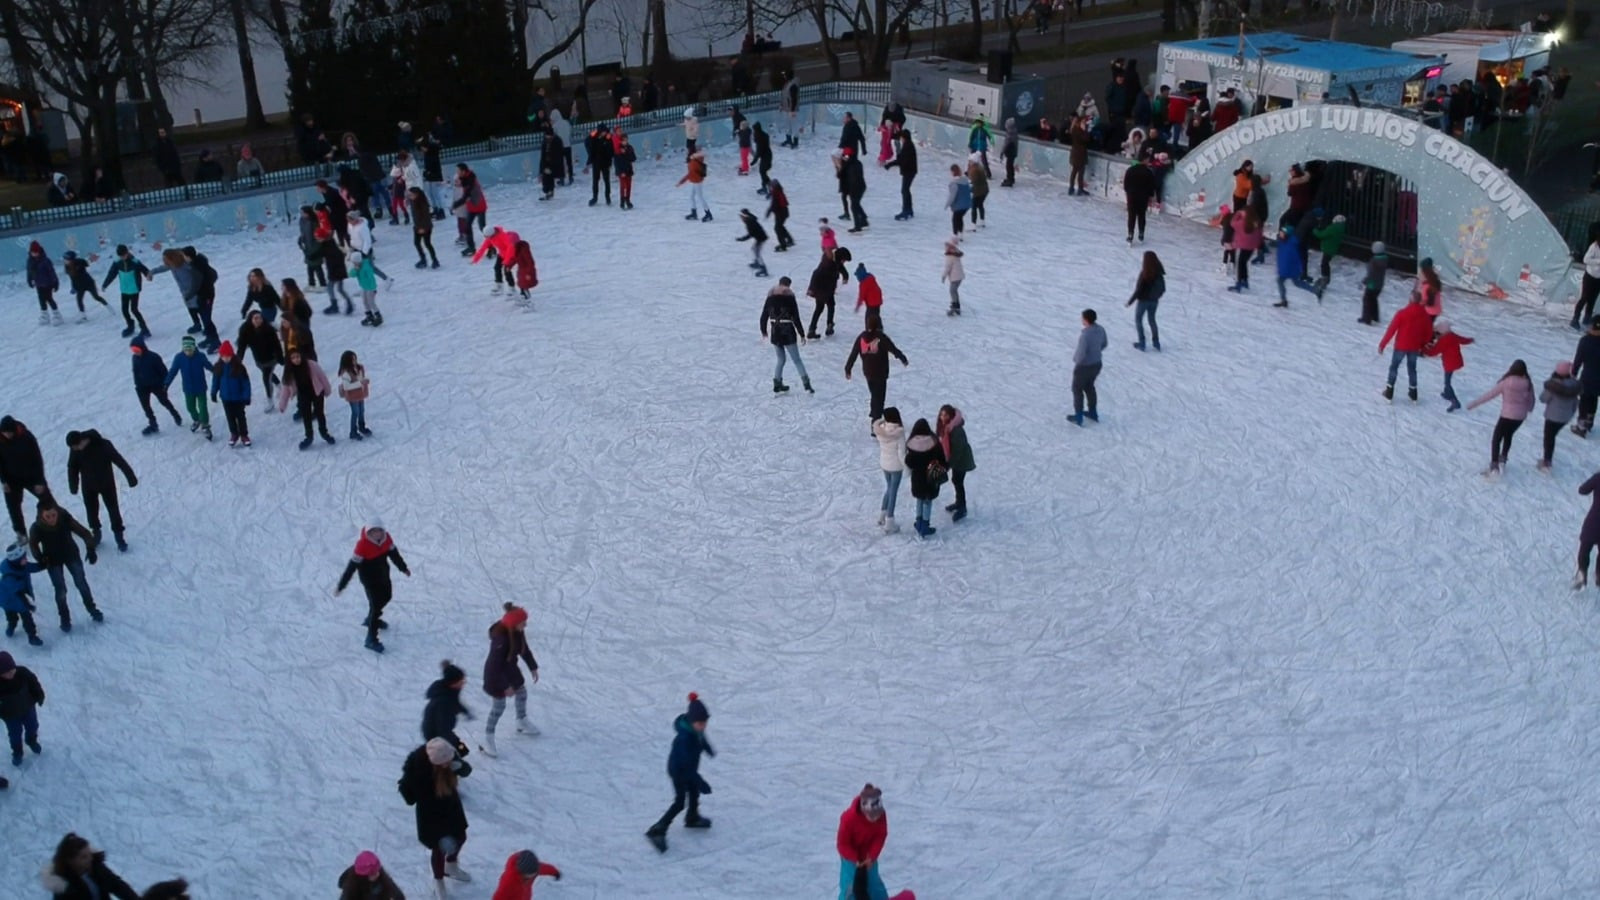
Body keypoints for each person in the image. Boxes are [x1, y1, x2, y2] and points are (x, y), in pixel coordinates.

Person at [399, 738, 472, 894]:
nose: (449, 763)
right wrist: (410, 785)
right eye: (445, 763)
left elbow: (467, 770)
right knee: (439, 850)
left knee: (461, 837)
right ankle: (438, 880)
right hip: (431, 817)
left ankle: (451, 865)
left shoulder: (447, 753)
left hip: (451, 807)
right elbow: (409, 799)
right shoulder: (418, 772)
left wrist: (460, 767)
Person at [645, 693, 716, 852]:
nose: (703, 726)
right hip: (679, 772)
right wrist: (701, 782)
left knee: (694, 792)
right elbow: (687, 767)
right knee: (680, 802)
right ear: (691, 722)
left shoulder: (695, 730)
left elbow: (701, 739)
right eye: (700, 723)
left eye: (705, 722)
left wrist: (708, 749)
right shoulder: (684, 740)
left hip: (689, 770)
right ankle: (658, 829)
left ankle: (692, 817)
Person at [334, 519, 409, 653]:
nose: (377, 534)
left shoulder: (386, 539)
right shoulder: (362, 545)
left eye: (379, 530)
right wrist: (341, 586)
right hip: (369, 580)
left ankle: (370, 619)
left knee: (387, 596)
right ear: (369, 533)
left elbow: (394, 554)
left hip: (383, 575)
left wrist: (403, 568)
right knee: (376, 606)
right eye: (374, 531)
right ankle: (371, 639)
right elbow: (352, 567)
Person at [28, 499, 100, 631]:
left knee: (81, 583)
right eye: (48, 516)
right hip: (52, 560)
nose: (52, 519)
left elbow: (84, 532)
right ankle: (65, 618)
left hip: (71, 554)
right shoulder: (37, 528)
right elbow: (33, 545)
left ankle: (92, 609)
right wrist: (41, 558)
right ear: (41, 516)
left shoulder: (65, 519)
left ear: (57, 512)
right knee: (60, 589)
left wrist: (91, 548)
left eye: (53, 515)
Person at [480, 603, 541, 757]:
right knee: (498, 708)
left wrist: (532, 666)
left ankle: (521, 720)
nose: (525, 625)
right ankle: (488, 738)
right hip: (495, 677)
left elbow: (524, 649)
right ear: (514, 623)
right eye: (523, 622)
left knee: (522, 693)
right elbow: (494, 666)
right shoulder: (501, 639)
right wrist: (505, 686)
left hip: (510, 670)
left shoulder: (517, 632)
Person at [64, 430, 136, 550]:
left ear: (81, 441)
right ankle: (96, 533)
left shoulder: (103, 445)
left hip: (107, 485)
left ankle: (119, 537)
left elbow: (119, 460)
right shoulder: (75, 450)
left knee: (113, 510)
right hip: (88, 486)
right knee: (91, 511)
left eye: (75, 447)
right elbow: (72, 468)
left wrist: (130, 477)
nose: (74, 449)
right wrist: (73, 485)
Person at [1466, 359, 1535, 476]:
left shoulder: (1506, 382)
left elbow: (1489, 395)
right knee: (1508, 435)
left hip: (1506, 415)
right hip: (1520, 417)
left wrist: (1473, 404)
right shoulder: (1528, 384)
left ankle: (1494, 466)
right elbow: (1531, 401)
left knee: (1497, 438)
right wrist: (1528, 409)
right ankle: (1503, 459)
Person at [845, 313, 909, 426]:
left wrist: (848, 368)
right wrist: (902, 358)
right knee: (879, 398)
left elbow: (853, 354)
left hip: (868, 373)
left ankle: (875, 415)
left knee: (875, 395)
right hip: (880, 373)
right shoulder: (881, 337)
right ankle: (875, 421)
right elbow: (893, 348)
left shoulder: (861, 338)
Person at [40, 833, 140, 900]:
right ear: (70, 861)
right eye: (84, 857)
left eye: (89, 854)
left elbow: (117, 885)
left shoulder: (96, 866)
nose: (90, 858)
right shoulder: (64, 887)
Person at [0, 416, 51, 541]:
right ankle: (21, 533)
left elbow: (37, 459)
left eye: (9, 432)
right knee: (13, 507)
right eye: (5, 433)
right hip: (11, 480)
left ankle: (62, 521)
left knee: (48, 501)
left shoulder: (26, 437)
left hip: (31, 477)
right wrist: (4, 481)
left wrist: (39, 481)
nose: (7, 435)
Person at [836, 785, 889, 900]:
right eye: (872, 816)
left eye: (878, 815)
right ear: (864, 811)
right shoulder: (848, 818)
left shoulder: (881, 815)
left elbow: (881, 835)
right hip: (850, 858)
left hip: (869, 857)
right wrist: (855, 859)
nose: (876, 818)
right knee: (850, 886)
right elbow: (842, 844)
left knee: (874, 883)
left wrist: (872, 855)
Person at [760, 276, 812, 394]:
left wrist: (764, 331)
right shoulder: (790, 297)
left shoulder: (770, 297)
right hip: (787, 331)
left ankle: (777, 383)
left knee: (781, 359)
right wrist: (802, 334)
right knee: (797, 360)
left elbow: (764, 316)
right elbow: (796, 317)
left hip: (775, 332)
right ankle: (806, 383)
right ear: (788, 285)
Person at [277, 347, 336, 450]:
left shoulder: (311, 365)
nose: (296, 359)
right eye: (293, 358)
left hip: (317, 392)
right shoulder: (289, 371)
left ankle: (324, 433)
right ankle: (309, 437)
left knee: (319, 413)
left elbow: (322, 376)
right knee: (306, 416)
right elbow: (285, 389)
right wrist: (282, 405)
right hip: (303, 395)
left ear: (301, 356)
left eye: (297, 357)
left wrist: (327, 389)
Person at [1379, 293, 1434, 403]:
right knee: (1412, 368)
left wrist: (1383, 344)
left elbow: (1391, 330)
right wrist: (1423, 344)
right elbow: (1429, 332)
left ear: (1410, 300)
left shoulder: (1402, 313)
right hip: (1414, 347)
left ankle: (1389, 391)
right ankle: (1413, 393)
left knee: (1394, 367)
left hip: (1401, 345)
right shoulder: (1425, 315)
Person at [422, 660, 474, 768]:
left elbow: (455, 702)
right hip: (435, 736)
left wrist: (464, 711)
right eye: (461, 681)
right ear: (453, 683)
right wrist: (460, 746)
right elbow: (444, 731)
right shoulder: (443, 703)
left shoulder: (447, 690)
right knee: (454, 764)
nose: (464, 682)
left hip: (438, 730)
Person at [130, 337, 183, 436]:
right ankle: (153, 424)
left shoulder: (153, 357)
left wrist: (164, 385)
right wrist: (137, 385)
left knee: (164, 401)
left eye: (137, 349)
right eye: (133, 350)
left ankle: (175, 414)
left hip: (156, 385)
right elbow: (135, 372)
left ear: (142, 348)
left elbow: (164, 372)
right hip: (142, 387)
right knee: (146, 407)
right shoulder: (135, 358)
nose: (135, 352)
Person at [164, 335, 214, 440]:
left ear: (194, 348)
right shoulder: (179, 358)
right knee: (190, 407)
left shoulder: (200, 356)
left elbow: (209, 366)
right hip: (188, 389)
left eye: (190, 350)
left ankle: (205, 425)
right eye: (186, 350)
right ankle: (197, 419)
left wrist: (218, 373)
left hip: (200, 387)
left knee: (203, 407)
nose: (188, 352)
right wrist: (166, 383)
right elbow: (173, 371)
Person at [1421, 317, 1472, 412]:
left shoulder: (1444, 340)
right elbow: (1462, 340)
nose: (1437, 335)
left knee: (1447, 382)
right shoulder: (1452, 335)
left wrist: (1423, 351)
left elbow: (1434, 351)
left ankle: (1455, 402)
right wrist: (1470, 340)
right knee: (1447, 379)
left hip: (1450, 363)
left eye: (1437, 333)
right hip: (1456, 361)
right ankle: (1447, 394)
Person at [101, 245, 152, 338]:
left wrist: (148, 275)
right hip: (124, 289)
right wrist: (105, 284)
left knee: (134, 310)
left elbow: (144, 269)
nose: (122, 257)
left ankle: (144, 329)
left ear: (127, 253)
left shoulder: (134, 262)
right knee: (124, 310)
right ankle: (130, 326)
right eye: (120, 256)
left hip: (134, 289)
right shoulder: (117, 262)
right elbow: (111, 274)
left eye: (124, 255)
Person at [236, 310, 283, 407]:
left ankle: (270, 401)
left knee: (266, 378)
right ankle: (279, 385)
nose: (258, 320)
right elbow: (242, 347)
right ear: (251, 319)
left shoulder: (268, 329)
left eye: (260, 318)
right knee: (268, 375)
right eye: (256, 318)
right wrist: (238, 360)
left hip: (271, 359)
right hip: (258, 359)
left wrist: (280, 358)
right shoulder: (245, 330)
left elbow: (276, 345)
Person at [936, 405, 974, 523]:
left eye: (946, 415)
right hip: (956, 459)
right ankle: (959, 503)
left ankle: (962, 507)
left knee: (958, 481)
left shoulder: (956, 430)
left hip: (962, 460)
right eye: (941, 415)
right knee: (956, 480)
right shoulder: (946, 428)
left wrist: (949, 464)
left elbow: (958, 450)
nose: (943, 417)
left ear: (951, 416)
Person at [210, 342, 253, 447]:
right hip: (226, 398)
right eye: (223, 356)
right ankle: (234, 434)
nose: (226, 358)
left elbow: (245, 383)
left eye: (228, 356)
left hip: (238, 398)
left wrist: (246, 396)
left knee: (241, 417)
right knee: (230, 417)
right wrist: (213, 392)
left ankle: (244, 435)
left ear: (232, 355)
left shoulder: (239, 367)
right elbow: (215, 381)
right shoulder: (218, 367)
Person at [2, 543, 45, 646]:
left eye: (25, 557)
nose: (26, 559)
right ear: (16, 561)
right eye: (23, 559)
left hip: (17, 596)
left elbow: (31, 567)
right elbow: (17, 593)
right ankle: (12, 627)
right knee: (17, 617)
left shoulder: (22, 565)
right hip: (8, 600)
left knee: (26, 617)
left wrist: (43, 565)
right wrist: (27, 604)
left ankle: (32, 636)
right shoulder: (9, 577)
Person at [1540, 362, 1580, 472]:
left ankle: (1547, 462)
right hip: (1566, 417)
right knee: (1552, 436)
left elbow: (1543, 399)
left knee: (1549, 438)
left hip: (1552, 417)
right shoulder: (1574, 385)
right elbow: (1576, 402)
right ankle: (1547, 461)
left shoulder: (1553, 386)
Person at [1071, 309, 1107, 426]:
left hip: (1084, 366)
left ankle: (1078, 416)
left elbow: (1081, 354)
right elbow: (1104, 343)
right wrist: (1096, 352)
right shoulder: (1101, 329)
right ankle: (1093, 412)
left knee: (1077, 389)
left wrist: (1076, 361)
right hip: (1097, 364)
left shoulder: (1085, 335)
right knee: (1089, 386)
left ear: (1086, 320)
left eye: (1082, 318)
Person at [872, 408, 905, 534]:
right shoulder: (899, 432)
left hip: (885, 463)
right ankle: (889, 521)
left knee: (889, 488)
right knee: (893, 491)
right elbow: (901, 453)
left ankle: (882, 515)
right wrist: (907, 467)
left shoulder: (881, 429)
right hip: (896, 466)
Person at [1127, 251, 1165, 351]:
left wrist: (1130, 301)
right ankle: (1156, 342)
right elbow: (1163, 288)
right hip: (1154, 301)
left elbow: (1138, 290)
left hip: (1143, 301)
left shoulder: (1145, 273)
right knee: (1152, 320)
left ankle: (1142, 342)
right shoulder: (1159, 273)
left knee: (1138, 319)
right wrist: (1157, 296)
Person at [490, 850, 562, 900]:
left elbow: (544, 868)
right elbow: (499, 897)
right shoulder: (509, 881)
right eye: (530, 874)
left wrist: (555, 872)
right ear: (522, 872)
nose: (533, 876)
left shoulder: (534, 868)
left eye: (534, 873)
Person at [1272, 229, 1316, 309]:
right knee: (1296, 283)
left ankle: (1284, 301)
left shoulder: (1291, 244)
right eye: (1280, 232)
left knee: (1284, 281)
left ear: (1287, 234)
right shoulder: (1283, 242)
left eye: (1282, 233)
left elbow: (1290, 258)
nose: (1280, 234)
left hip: (1289, 269)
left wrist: (1285, 270)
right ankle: (1315, 290)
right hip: (1288, 269)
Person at [59, 252, 108, 323]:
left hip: (89, 283)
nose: (65, 261)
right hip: (79, 286)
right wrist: (73, 287)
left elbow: (87, 263)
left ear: (72, 259)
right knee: (79, 300)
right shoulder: (67, 267)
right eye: (64, 260)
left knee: (96, 297)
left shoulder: (80, 262)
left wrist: (91, 259)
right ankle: (83, 316)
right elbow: (72, 278)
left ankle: (108, 306)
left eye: (66, 259)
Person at [337, 850, 404, 900]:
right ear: (363, 876)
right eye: (373, 873)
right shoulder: (351, 887)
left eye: (377, 871)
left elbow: (397, 893)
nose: (377, 874)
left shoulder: (381, 874)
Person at [337, 351, 372, 441]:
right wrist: (361, 383)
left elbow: (361, 378)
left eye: (355, 359)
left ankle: (362, 426)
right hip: (353, 397)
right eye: (352, 360)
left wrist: (364, 381)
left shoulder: (359, 368)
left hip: (360, 394)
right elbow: (346, 387)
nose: (355, 361)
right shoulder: (346, 373)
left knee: (361, 411)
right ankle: (353, 431)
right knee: (355, 412)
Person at [26, 241, 62, 326]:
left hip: (48, 283)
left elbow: (52, 272)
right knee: (41, 299)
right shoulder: (30, 261)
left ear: (39, 251)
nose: (34, 254)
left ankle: (57, 315)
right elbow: (29, 271)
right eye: (33, 252)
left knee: (49, 298)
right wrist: (29, 280)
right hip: (39, 284)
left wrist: (55, 282)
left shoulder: (45, 260)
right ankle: (45, 315)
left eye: (36, 252)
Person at [1575, 471, 1600, 588]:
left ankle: (1582, 573)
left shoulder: (1598, 477)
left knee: (1585, 548)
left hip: (1594, 520)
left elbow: (1582, 490)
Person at [1227, 210, 1263, 292]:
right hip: (1251, 247)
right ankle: (1245, 281)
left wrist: (1238, 214)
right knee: (1243, 263)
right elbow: (1260, 235)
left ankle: (1238, 283)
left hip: (1242, 246)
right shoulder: (1257, 224)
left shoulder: (1242, 223)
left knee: (1239, 264)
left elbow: (1232, 223)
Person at [884, 131, 917, 221]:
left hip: (909, 171)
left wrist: (890, 164)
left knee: (904, 190)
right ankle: (909, 210)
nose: (901, 139)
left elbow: (902, 160)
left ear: (904, 137)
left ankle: (906, 211)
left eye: (901, 137)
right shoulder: (908, 145)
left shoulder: (907, 146)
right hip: (910, 170)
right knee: (906, 190)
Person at [1122, 159, 1156, 244]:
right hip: (1143, 197)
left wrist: (1128, 192)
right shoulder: (1149, 172)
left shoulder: (1130, 170)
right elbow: (1151, 186)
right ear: (1145, 160)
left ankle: (1130, 234)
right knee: (1141, 215)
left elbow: (1126, 185)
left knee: (1131, 216)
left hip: (1132, 196)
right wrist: (1150, 196)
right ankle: (1141, 233)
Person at [1574, 231, 1600, 330]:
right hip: (1590, 275)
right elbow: (1586, 260)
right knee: (1584, 297)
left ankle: (1587, 319)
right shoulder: (1594, 247)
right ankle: (1575, 318)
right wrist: (1598, 261)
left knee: (1592, 300)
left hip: (1599, 277)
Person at [1358, 242, 1389, 325]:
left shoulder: (1374, 261)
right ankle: (1375, 317)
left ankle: (1366, 318)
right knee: (1374, 299)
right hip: (1379, 284)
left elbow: (1371, 274)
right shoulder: (1384, 259)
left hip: (1372, 284)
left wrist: (1364, 281)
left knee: (1367, 300)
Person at [678, 150, 711, 222]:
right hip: (696, 180)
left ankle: (708, 214)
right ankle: (694, 213)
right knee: (692, 196)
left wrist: (681, 182)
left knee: (700, 197)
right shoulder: (696, 160)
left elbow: (689, 175)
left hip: (696, 181)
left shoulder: (693, 163)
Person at [585, 123, 614, 206]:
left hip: (605, 162)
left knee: (606, 180)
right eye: (602, 132)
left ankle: (607, 197)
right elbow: (587, 143)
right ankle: (595, 197)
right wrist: (591, 136)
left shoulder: (608, 138)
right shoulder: (594, 137)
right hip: (596, 162)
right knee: (595, 180)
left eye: (605, 131)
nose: (604, 133)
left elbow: (611, 150)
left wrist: (607, 141)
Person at [841, 147, 868, 233]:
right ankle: (864, 219)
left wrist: (850, 190)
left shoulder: (849, 165)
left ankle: (857, 226)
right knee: (856, 204)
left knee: (854, 206)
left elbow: (851, 178)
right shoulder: (857, 163)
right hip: (861, 186)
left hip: (855, 188)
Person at [737, 208, 770, 278]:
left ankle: (764, 270)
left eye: (742, 217)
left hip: (761, 238)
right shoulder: (751, 219)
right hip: (760, 237)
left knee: (757, 253)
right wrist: (747, 213)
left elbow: (750, 234)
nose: (741, 219)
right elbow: (754, 217)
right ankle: (757, 263)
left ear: (745, 217)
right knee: (754, 249)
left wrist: (742, 239)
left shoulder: (749, 223)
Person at [765, 179, 793, 251]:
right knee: (780, 227)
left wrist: (769, 212)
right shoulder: (778, 190)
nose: (770, 187)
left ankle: (783, 246)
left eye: (771, 186)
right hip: (784, 212)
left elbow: (774, 205)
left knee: (777, 228)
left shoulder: (776, 193)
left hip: (780, 213)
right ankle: (790, 240)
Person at [945, 164, 971, 236]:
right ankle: (960, 234)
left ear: (953, 172)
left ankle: (955, 235)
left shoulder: (954, 183)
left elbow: (952, 196)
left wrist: (947, 204)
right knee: (959, 218)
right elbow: (969, 190)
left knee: (955, 219)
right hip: (967, 204)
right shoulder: (965, 180)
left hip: (959, 205)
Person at [941, 235, 964, 316]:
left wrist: (943, 276)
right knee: (954, 291)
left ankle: (954, 307)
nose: (946, 248)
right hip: (959, 277)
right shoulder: (956, 253)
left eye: (948, 246)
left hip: (955, 277)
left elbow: (947, 268)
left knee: (952, 291)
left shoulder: (950, 256)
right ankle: (957, 306)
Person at [965, 152, 987, 228]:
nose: (969, 162)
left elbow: (975, 182)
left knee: (974, 206)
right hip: (984, 190)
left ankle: (973, 224)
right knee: (980, 205)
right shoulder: (979, 167)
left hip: (978, 191)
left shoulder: (974, 170)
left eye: (970, 161)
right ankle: (982, 221)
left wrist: (970, 189)